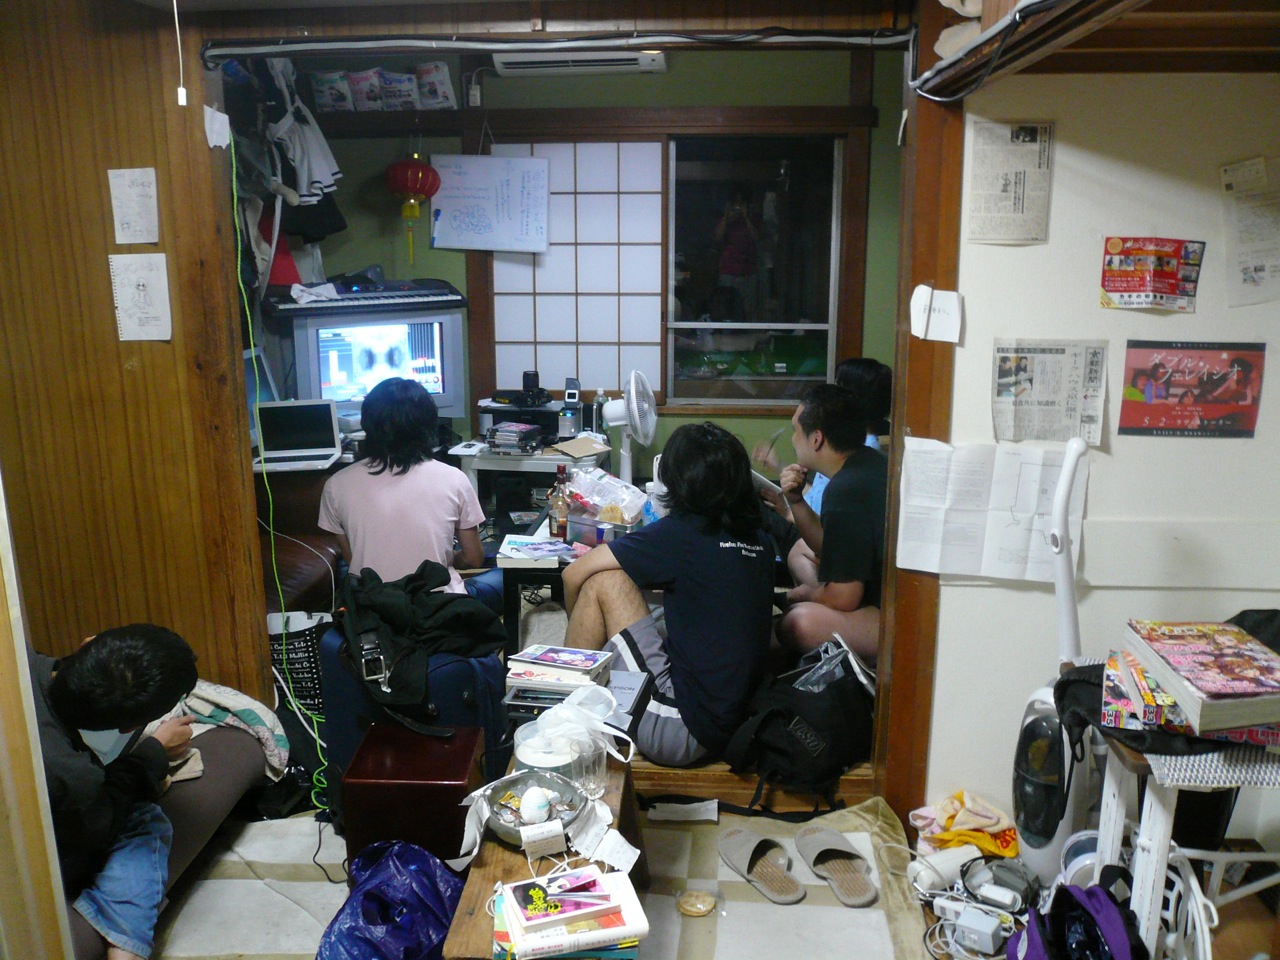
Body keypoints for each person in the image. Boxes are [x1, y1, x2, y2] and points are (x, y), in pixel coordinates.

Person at [561, 422, 775, 767]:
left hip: (681, 727)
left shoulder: (680, 533)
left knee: (604, 582)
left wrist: (583, 624)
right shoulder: (760, 540)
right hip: (737, 721)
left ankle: (565, 715)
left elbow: (573, 574)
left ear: (676, 481)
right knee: (653, 606)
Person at [31, 624, 199, 960]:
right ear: (130, 727)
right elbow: (96, 830)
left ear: (87, 642)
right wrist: (155, 751)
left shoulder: (14, 655)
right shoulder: (74, 777)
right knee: (144, 820)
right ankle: (127, 948)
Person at [318, 377, 503, 612]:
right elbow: (473, 558)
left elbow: (354, 559)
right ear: (427, 426)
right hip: (439, 609)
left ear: (367, 425)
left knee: (345, 567)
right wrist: (450, 558)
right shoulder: (454, 478)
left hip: (375, 611)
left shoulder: (336, 484)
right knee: (509, 572)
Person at [776, 384, 888, 660]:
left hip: (889, 614)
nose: (793, 439)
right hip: (871, 586)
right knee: (799, 549)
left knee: (797, 622)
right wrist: (796, 501)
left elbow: (844, 597)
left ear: (816, 439)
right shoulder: (870, 462)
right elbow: (832, 545)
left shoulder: (846, 489)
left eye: (795, 431)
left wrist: (806, 594)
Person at [714, 185, 761, 321]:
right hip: (728, 270)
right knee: (727, 305)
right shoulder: (726, 221)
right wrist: (727, 216)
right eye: (736, 204)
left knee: (748, 307)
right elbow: (718, 238)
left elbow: (757, 238)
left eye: (741, 204)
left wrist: (746, 217)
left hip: (748, 270)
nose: (739, 207)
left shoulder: (753, 220)